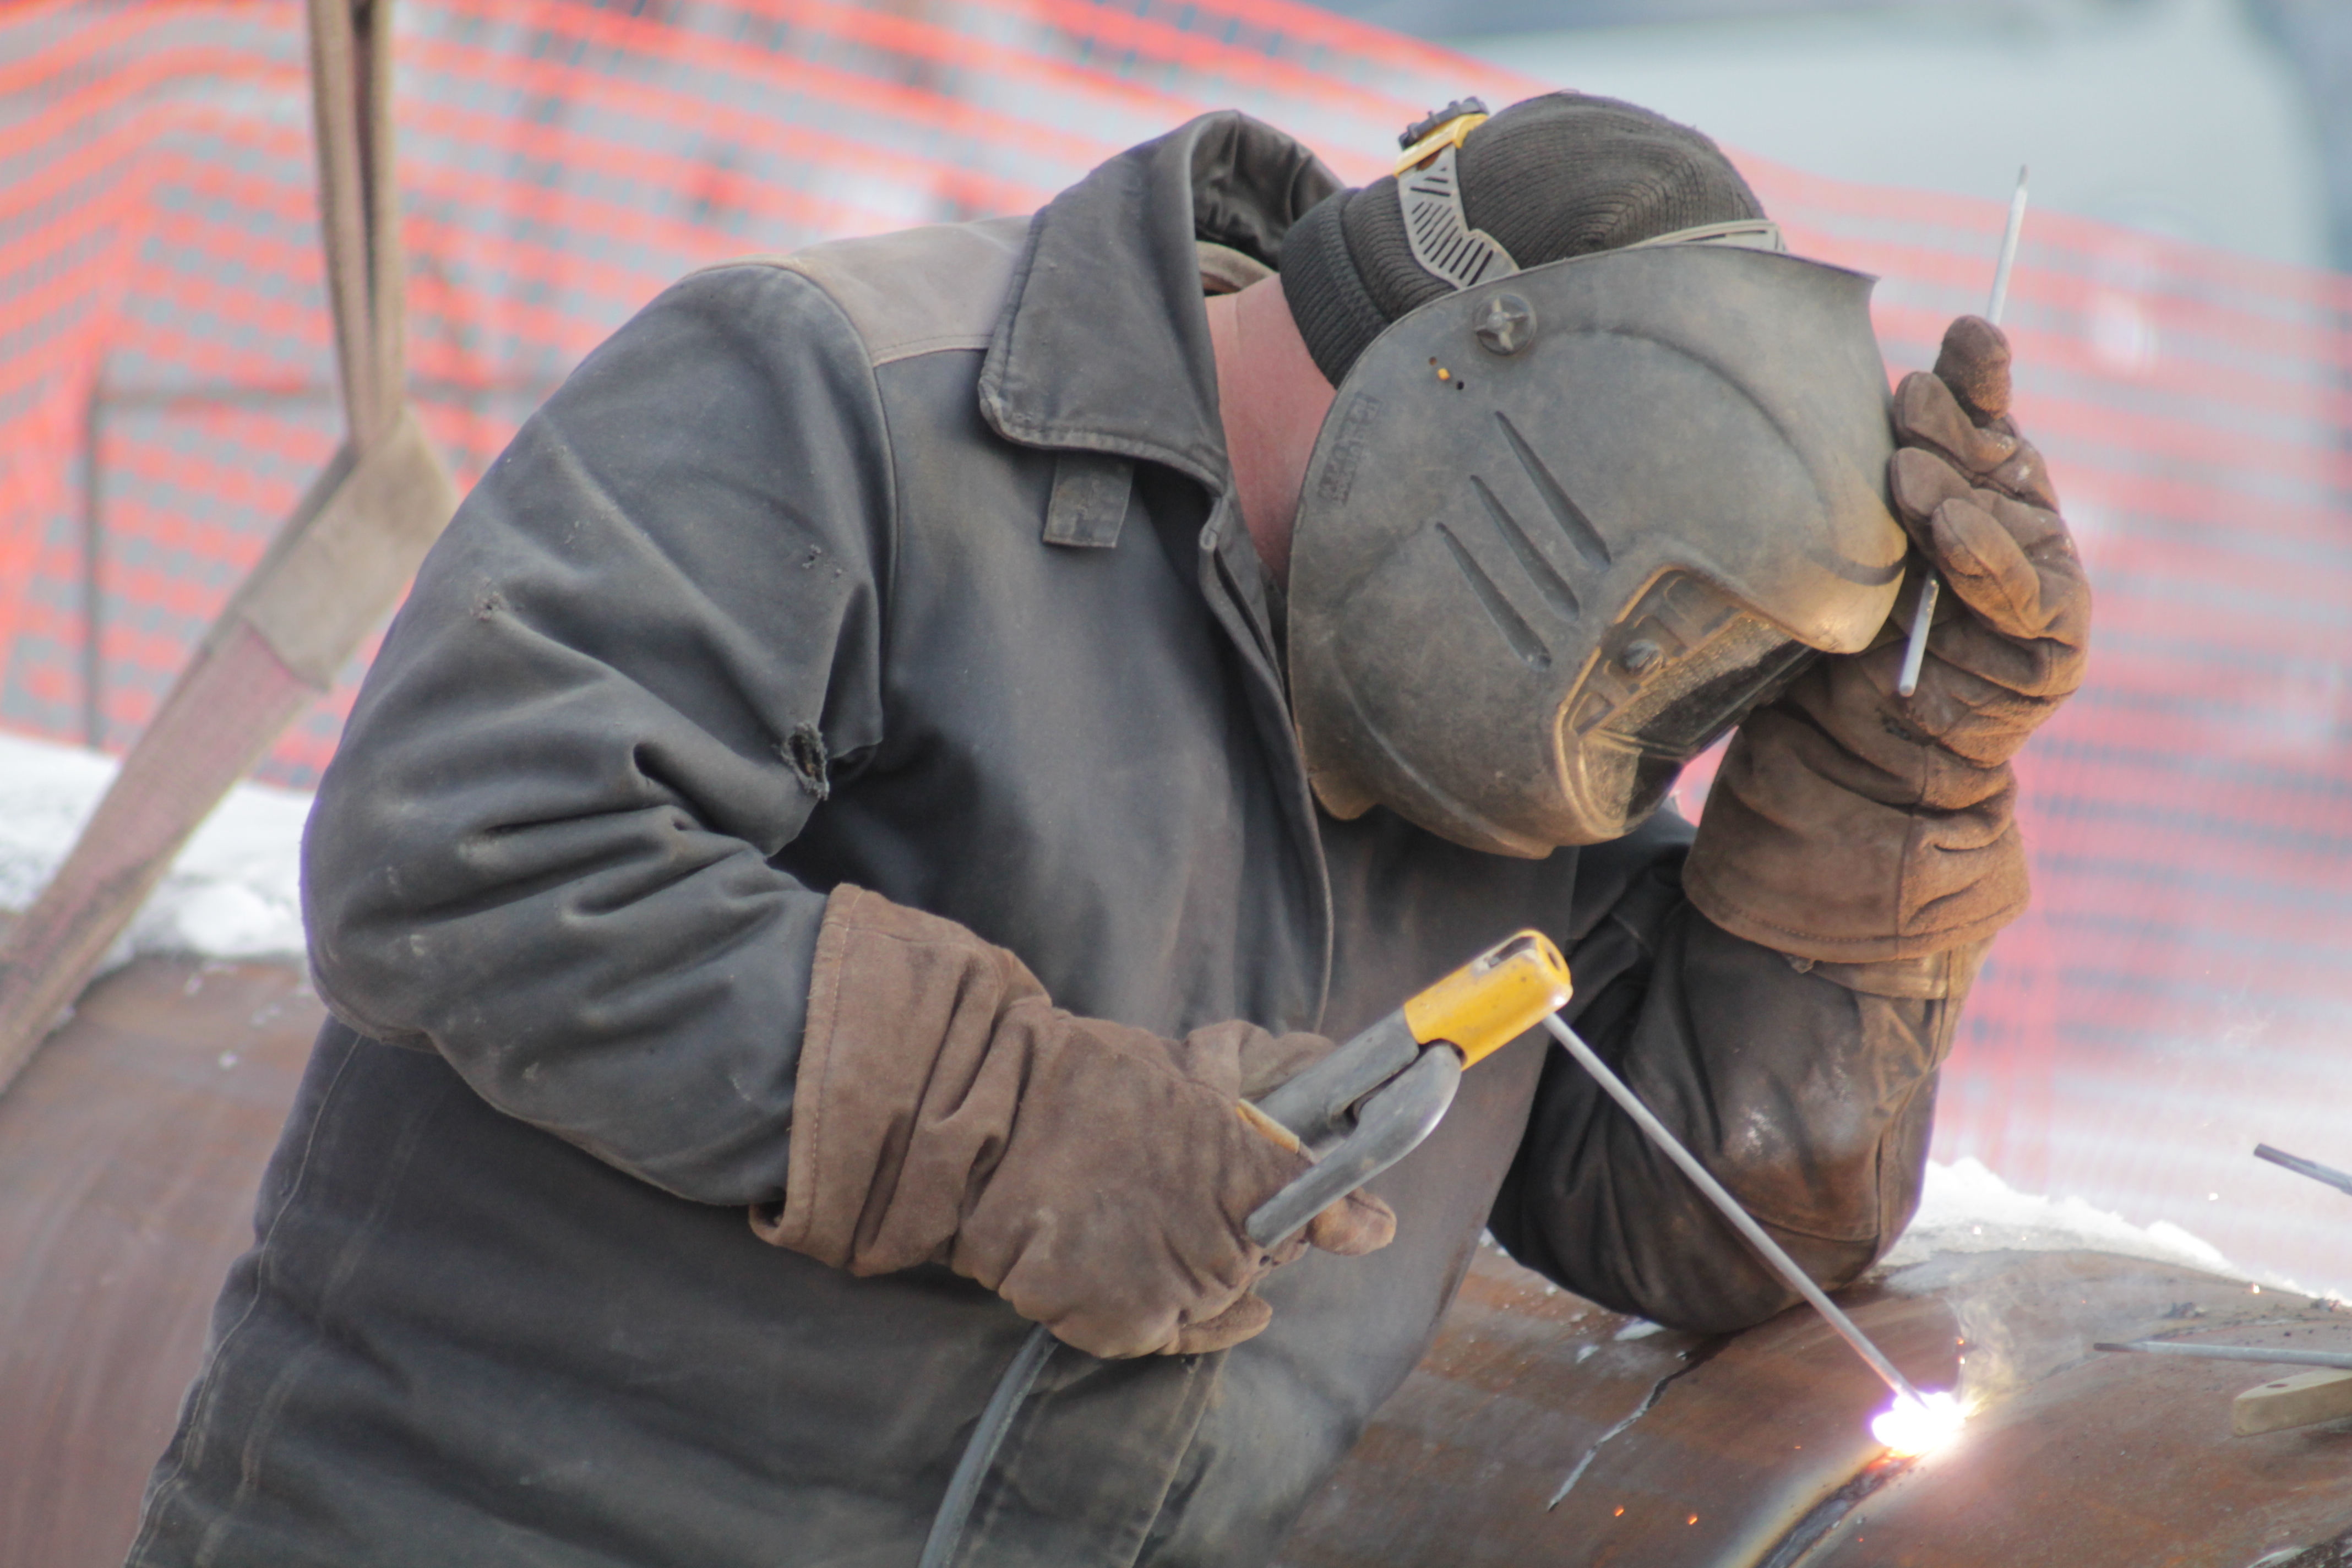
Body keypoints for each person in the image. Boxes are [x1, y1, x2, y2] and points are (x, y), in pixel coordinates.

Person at [128, 94, 2088, 1566]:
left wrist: (1885, 785)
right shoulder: (848, 399)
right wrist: (1018, 1126)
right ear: (1488, 404)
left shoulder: (1491, 735)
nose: (1629, 732)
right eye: (1652, 646)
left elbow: (1718, 1201)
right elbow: (463, 852)